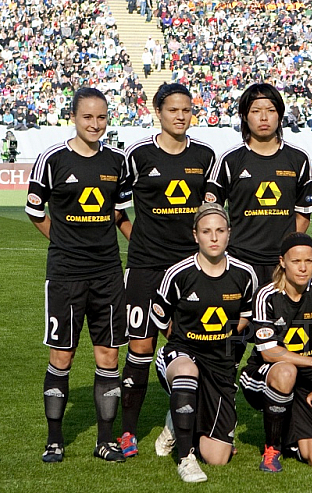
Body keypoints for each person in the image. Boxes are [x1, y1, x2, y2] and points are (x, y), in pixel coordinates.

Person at [26, 87, 132, 463]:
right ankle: (54, 440)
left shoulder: (117, 161)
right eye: (88, 117)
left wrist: (138, 247)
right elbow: (35, 211)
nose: (95, 124)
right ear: (73, 117)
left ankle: (105, 441)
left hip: (107, 274)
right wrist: (65, 243)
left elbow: (120, 215)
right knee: (62, 356)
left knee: (107, 354)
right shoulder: (51, 159)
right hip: (66, 274)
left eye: (101, 117)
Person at [118, 83, 216, 458]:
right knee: (140, 348)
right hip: (145, 267)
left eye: (187, 109)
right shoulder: (138, 154)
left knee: (192, 346)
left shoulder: (205, 156)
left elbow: (210, 212)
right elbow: (116, 208)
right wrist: (139, 240)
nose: (180, 115)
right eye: (173, 109)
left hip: (190, 269)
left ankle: (182, 425)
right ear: (157, 111)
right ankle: (128, 433)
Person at [151, 203, 258, 482]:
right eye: (206, 231)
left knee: (219, 458)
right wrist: (183, 344)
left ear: (229, 234)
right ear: (195, 235)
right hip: (181, 354)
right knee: (187, 372)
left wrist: (221, 343)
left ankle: (180, 418)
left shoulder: (245, 275)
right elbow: (162, 321)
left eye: (220, 231)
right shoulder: (178, 274)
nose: (213, 238)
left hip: (220, 364)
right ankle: (186, 458)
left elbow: (246, 318)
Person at [240, 233, 312, 472]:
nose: (303, 268)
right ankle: (271, 449)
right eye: (296, 262)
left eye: (309, 261)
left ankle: (287, 433)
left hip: (304, 379)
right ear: (283, 262)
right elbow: (270, 353)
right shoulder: (267, 295)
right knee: (286, 372)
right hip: (263, 374)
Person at [206, 83, 312, 285]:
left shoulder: (298, 159)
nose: (264, 118)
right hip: (239, 262)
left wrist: (287, 253)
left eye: (271, 111)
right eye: (256, 111)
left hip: (282, 264)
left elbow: (303, 214)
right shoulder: (230, 160)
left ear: (280, 115)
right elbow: (211, 213)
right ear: (245, 116)